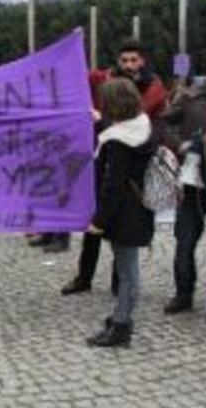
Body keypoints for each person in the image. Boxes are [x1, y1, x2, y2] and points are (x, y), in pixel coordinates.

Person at [61, 42, 168, 296]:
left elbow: (135, 125)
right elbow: (80, 74)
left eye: (134, 60)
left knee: (121, 224)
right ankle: (84, 276)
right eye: (125, 60)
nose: (129, 65)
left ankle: (120, 282)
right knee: (94, 220)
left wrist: (103, 121)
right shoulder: (108, 77)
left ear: (142, 61)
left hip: (130, 162)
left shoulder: (153, 88)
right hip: (102, 156)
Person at [85, 78, 156, 348]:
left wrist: (99, 222)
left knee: (127, 274)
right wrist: (100, 120)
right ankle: (119, 317)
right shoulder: (142, 126)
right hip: (138, 209)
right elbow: (120, 129)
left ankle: (121, 327)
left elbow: (112, 186)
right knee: (127, 270)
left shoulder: (117, 143)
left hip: (124, 213)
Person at [160, 79, 206, 314]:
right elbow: (165, 124)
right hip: (191, 185)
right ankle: (183, 295)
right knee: (184, 244)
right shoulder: (194, 102)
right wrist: (181, 145)